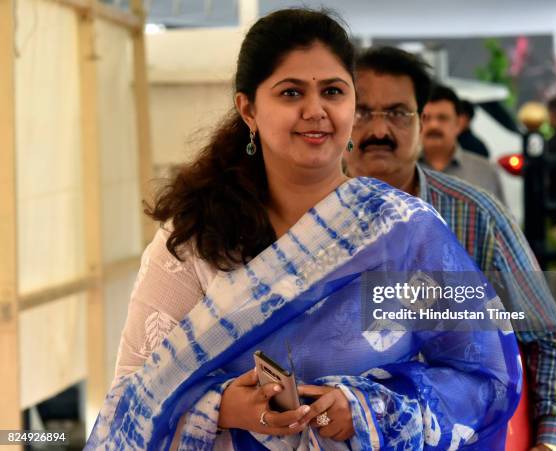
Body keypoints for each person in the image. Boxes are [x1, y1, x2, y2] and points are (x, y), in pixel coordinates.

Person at [85, 10, 521, 450]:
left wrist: (372, 409)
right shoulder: (197, 238)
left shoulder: (404, 235)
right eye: (291, 92)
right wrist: (221, 406)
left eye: (333, 91)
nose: (315, 111)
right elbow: (132, 400)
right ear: (248, 109)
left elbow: (484, 378)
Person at [344, 46, 556, 451]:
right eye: (363, 112)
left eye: (399, 113)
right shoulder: (306, 220)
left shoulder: (477, 216)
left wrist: (552, 442)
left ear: (422, 121)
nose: (380, 130)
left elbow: (548, 337)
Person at [421, 85, 506, 204]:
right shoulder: (402, 170)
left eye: (442, 118)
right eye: (426, 118)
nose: (434, 125)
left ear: (459, 124)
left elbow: (500, 221)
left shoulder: (485, 172)